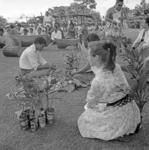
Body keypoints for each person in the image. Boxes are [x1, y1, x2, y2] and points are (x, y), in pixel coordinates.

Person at [78, 41, 141, 141]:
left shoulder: (97, 81)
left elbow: (90, 102)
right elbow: (126, 88)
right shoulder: (116, 66)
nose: (87, 58)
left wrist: (92, 106)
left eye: (89, 55)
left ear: (97, 57)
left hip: (114, 114)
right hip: (130, 110)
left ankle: (115, 130)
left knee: (83, 120)